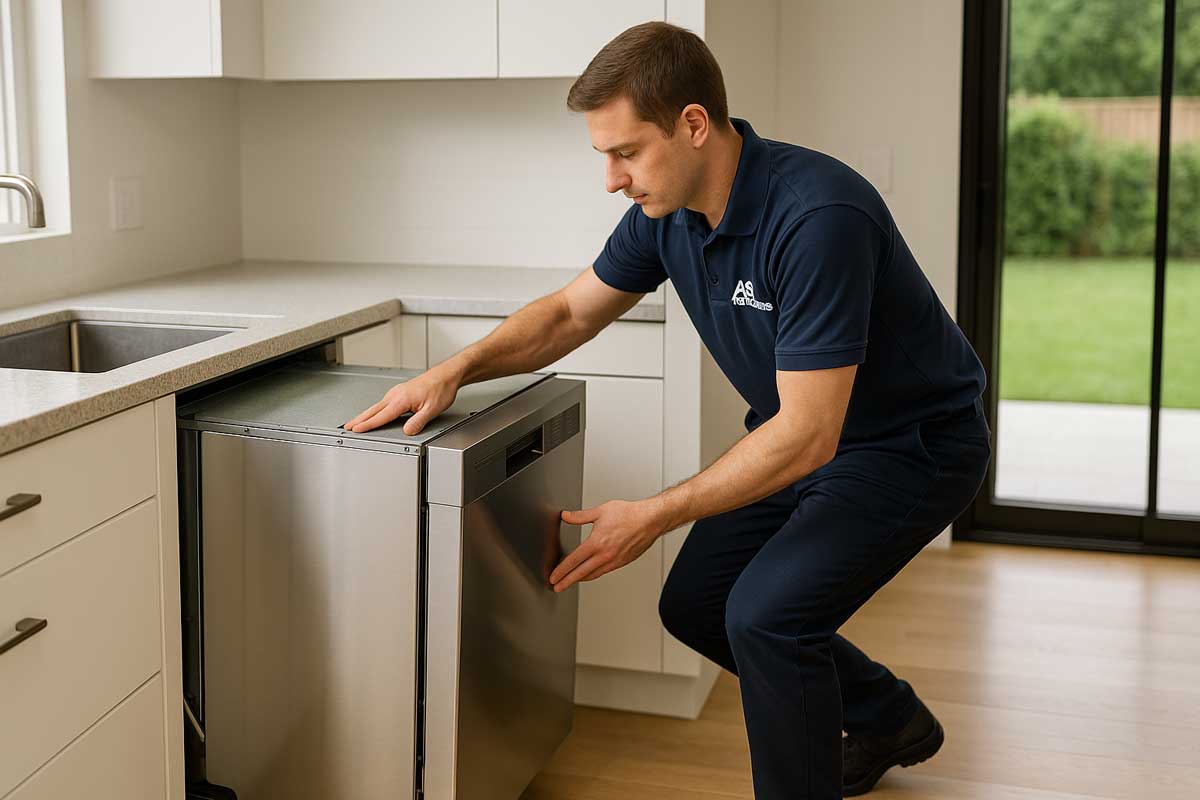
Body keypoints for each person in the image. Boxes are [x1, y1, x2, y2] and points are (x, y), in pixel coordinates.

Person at [344, 21, 990, 800]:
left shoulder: (818, 216)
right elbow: (568, 315)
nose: (612, 180)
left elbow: (811, 433)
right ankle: (888, 717)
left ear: (692, 125)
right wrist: (453, 370)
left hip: (910, 447)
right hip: (803, 438)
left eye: (626, 152)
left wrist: (651, 513)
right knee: (697, 604)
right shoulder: (669, 215)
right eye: (604, 156)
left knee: (767, 618)